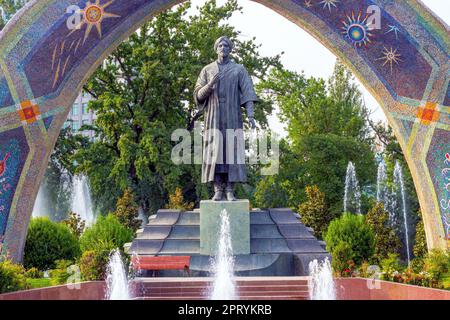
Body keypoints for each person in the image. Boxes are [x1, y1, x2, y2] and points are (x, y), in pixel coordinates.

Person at [194, 36, 258, 201]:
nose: (223, 47)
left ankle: (230, 189)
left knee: (232, 151)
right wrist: (209, 86)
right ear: (216, 49)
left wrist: (250, 115)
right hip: (213, 116)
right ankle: (217, 189)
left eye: (226, 45)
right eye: (220, 45)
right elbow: (198, 96)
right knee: (214, 150)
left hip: (232, 115)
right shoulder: (207, 70)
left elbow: (248, 93)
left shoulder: (238, 69)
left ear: (230, 49)